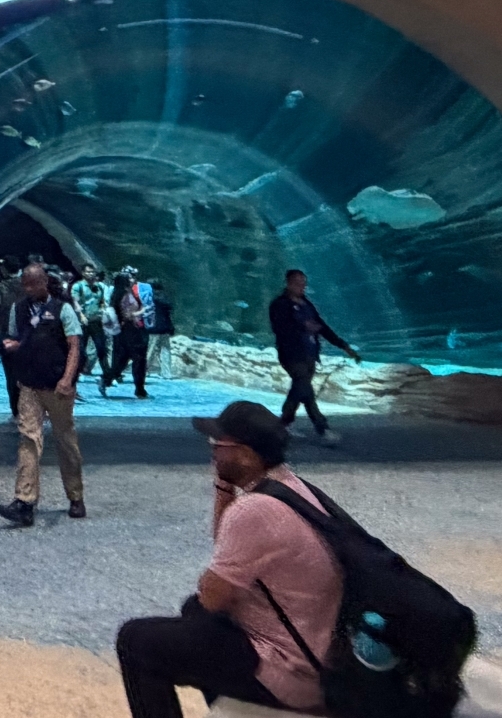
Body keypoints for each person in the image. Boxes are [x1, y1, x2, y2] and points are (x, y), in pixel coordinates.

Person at [115, 400, 344, 717]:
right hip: (315, 654)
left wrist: (210, 583)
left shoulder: (254, 510)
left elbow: (213, 597)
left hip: (290, 671)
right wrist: (224, 483)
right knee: (193, 611)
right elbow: (226, 543)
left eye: (217, 444)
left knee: (136, 641)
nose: (211, 450)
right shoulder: (290, 487)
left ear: (246, 455)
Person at [0, 262, 85, 526]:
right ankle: (25, 501)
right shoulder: (18, 309)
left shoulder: (62, 309)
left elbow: (74, 345)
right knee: (28, 439)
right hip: (29, 385)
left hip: (57, 387)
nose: (28, 289)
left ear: (44, 282)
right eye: (25, 284)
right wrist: (12, 346)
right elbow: (18, 338)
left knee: (66, 441)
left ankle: (75, 495)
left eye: (33, 284)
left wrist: (67, 379)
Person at [268, 269, 360, 444]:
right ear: (288, 283)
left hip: (309, 354)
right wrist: (303, 326)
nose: (301, 287)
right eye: (297, 283)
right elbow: (279, 329)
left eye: (303, 283)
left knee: (300, 388)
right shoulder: (279, 304)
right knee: (305, 389)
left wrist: (343, 346)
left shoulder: (306, 304)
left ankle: (283, 423)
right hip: (292, 354)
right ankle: (322, 428)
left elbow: (322, 327)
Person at [0, 259, 25, 413]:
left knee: (11, 372)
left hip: (7, 335)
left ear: (4, 270)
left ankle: (16, 407)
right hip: (29, 334)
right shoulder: (27, 285)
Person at [104, 271, 152, 399]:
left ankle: (109, 379)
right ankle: (138, 388)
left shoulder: (124, 294)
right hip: (129, 330)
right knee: (135, 359)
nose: (132, 280)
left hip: (131, 330)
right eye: (128, 278)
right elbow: (128, 315)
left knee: (128, 360)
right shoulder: (123, 295)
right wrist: (142, 310)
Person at [71, 263, 114, 377]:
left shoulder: (99, 286)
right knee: (81, 349)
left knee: (101, 347)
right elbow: (75, 302)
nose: (91, 274)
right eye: (88, 272)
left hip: (96, 320)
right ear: (83, 273)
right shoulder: (78, 286)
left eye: (92, 272)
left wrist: (103, 309)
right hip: (83, 321)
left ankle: (107, 373)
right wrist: (81, 315)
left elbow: (103, 301)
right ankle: (77, 371)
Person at [149, 279, 175, 380]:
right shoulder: (165, 297)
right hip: (165, 328)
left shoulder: (150, 297)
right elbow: (169, 312)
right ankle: (166, 373)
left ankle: (144, 370)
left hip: (153, 328)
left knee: (150, 351)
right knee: (165, 350)